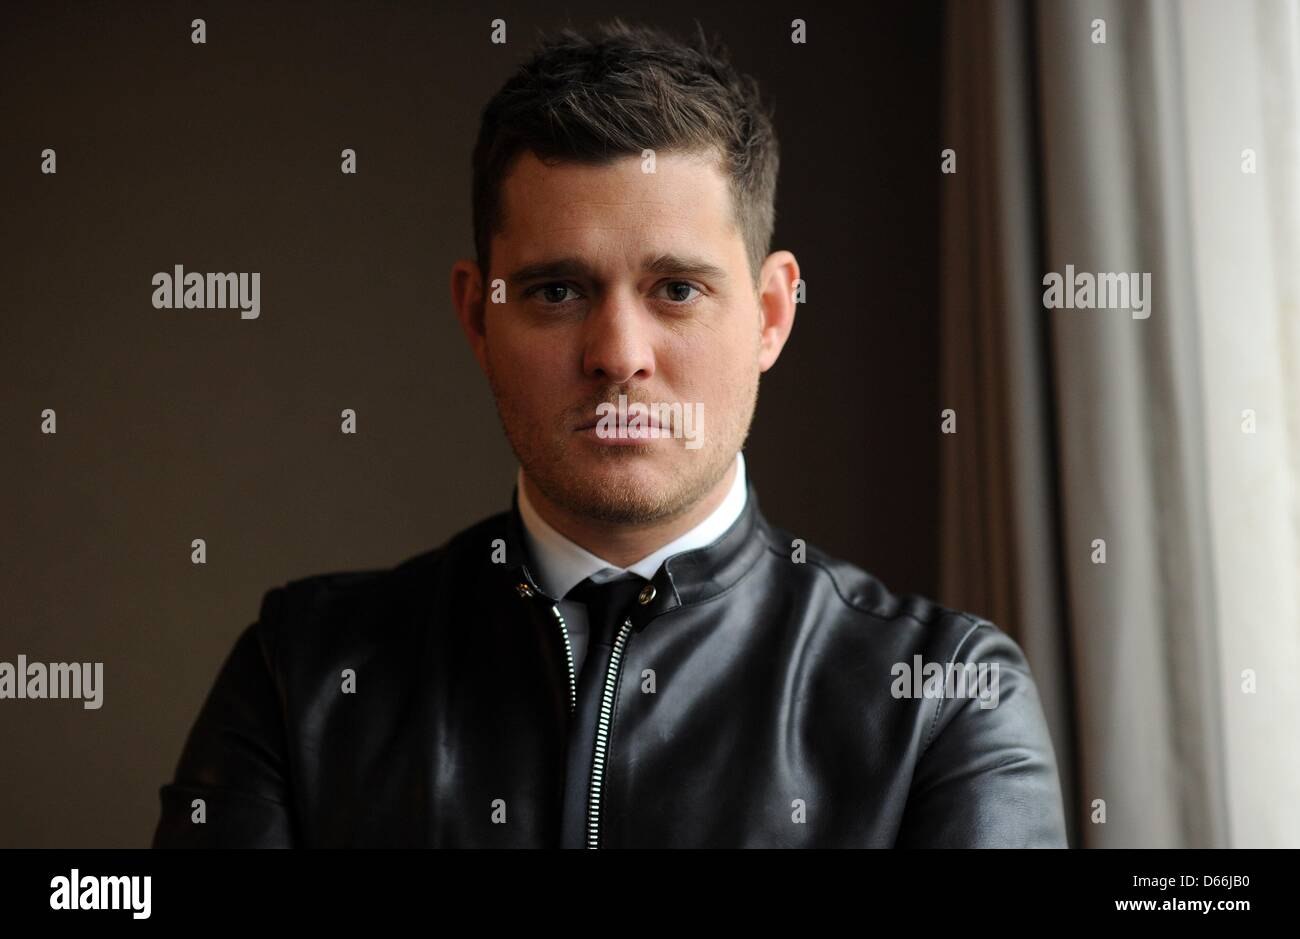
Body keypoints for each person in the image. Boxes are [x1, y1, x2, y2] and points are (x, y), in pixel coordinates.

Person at [152, 18, 1067, 848]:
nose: (617, 354)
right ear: (479, 318)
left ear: (771, 315)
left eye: (677, 289)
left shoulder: (944, 696)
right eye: (558, 291)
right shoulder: (301, 672)